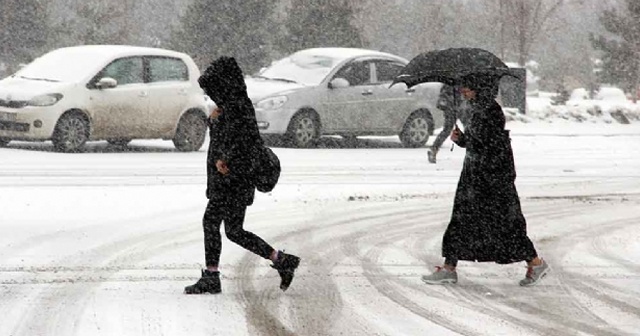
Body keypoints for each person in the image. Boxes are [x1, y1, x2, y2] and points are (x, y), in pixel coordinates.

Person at [184, 56, 300, 295]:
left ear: (224, 84)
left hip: (234, 179)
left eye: (214, 88)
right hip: (231, 179)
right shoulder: (231, 104)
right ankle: (281, 260)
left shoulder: (238, 106)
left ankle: (212, 276)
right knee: (233, 230)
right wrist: (215, 121)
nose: (211, 94)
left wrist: (226, 159)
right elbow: (230, 135)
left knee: (213, 224)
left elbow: (246, 142)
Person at [421, 74, 549, 287]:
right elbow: (480, 142)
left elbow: (488, 144)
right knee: (465, 222)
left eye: (468, 87)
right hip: (478, 176)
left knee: (504, 225)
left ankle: (535, 262)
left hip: (490, 179)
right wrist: (462, 140)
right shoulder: (479, 109)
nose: (464, 91)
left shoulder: (489, 111)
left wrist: (466, 140)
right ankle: (449, 268)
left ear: (480, 88)